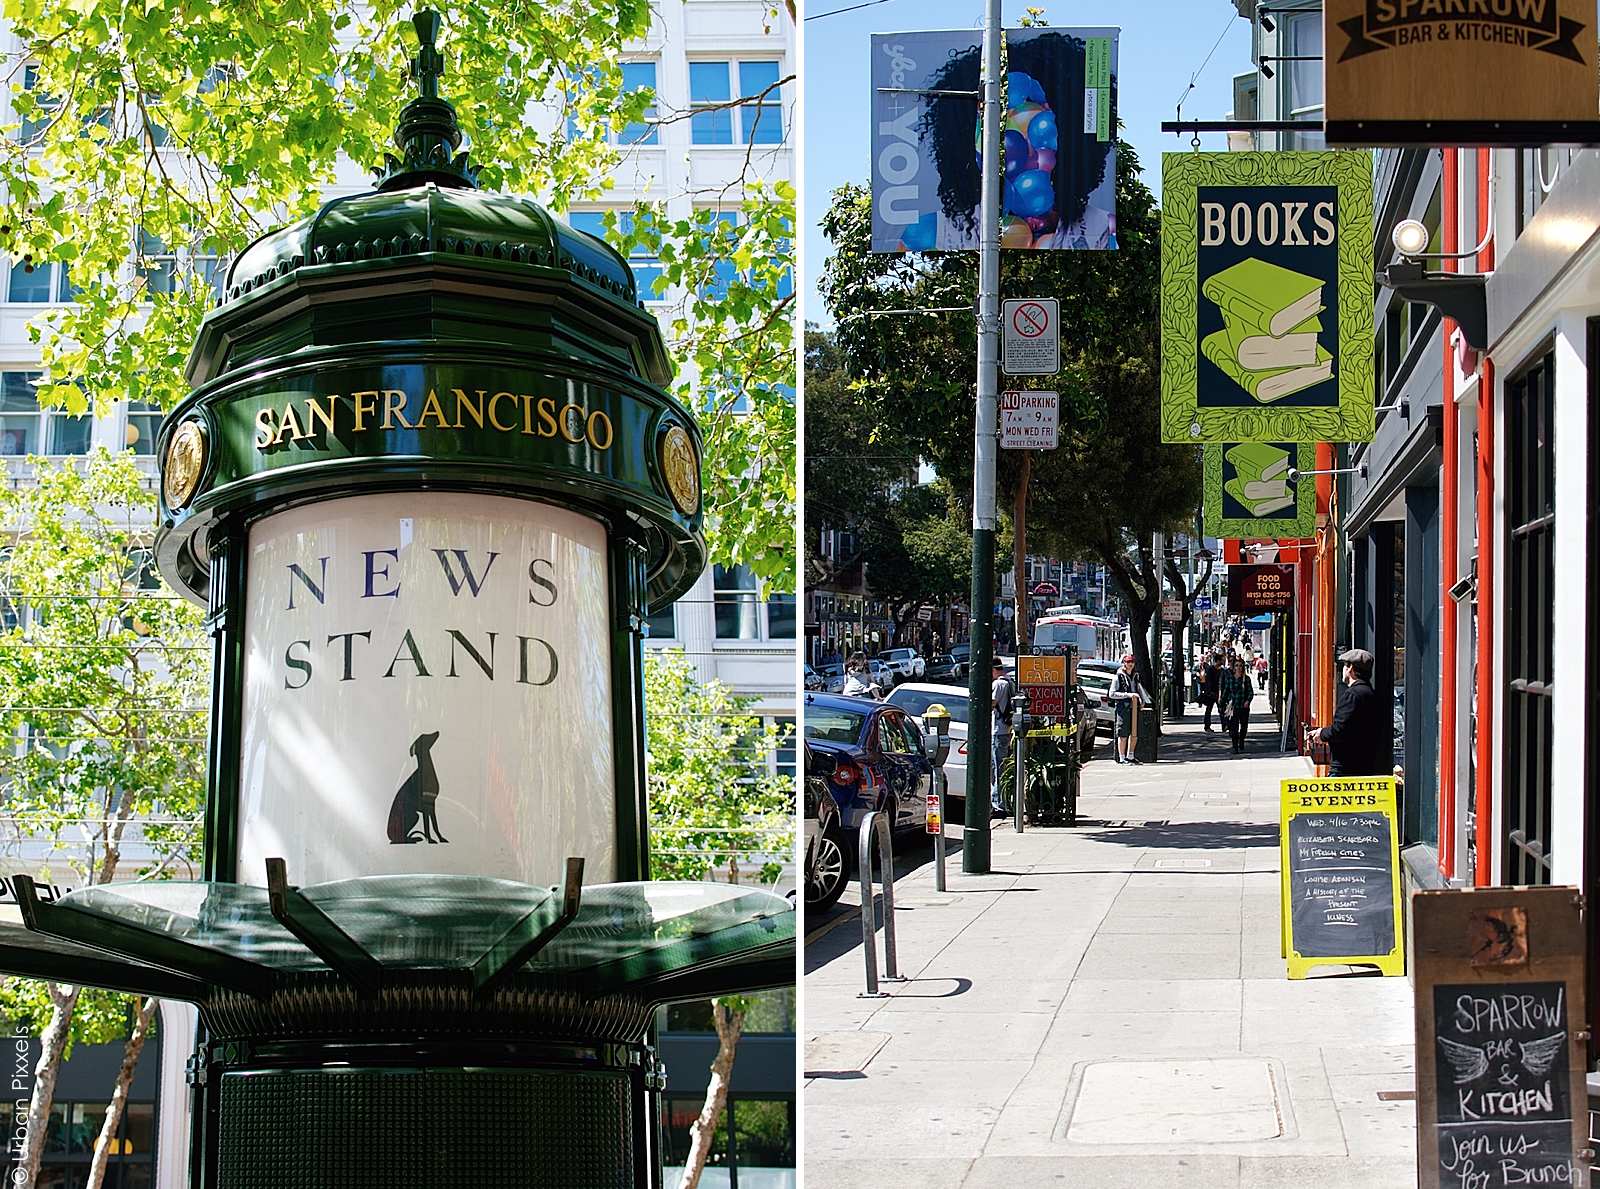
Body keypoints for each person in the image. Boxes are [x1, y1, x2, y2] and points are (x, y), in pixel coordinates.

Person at [1312, 648, 1389, 776]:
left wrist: (1322, 734)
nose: (1343, 669)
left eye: (1344, 665)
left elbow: (1340, 729)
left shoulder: (1352, 695)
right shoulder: (1371, 694)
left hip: (1345, 767)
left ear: (1350, 668)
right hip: (1367, 766)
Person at [1108, 653, 1145, 765]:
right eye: (1128, 662)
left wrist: (1142, 700)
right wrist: (1128, 695)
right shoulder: (1118, 677)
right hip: (1122, 708)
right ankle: (1122, 758)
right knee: (1122, 734)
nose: (1130, 664)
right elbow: (1112, 694)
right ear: (1124, 663)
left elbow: (1139, 689)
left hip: (1134, 708)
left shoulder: (1135, 676)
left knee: (1134, 733)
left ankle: (1130, 756)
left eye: (1132, 662)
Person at [990, 658, 1013, 815]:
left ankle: (999, 804)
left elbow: (991, 702)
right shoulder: (1009, 682)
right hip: (1007, 729)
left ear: (994, 670)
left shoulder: (998, 684)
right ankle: (1003, 801)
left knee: (998, 768)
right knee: (1002, 767)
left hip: (999, 730)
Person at [1219, 655, 1253, 754]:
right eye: (1236, 665)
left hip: (1243, 706)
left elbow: (1250, 692)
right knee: (1234, 727)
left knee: (1244, 726)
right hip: (1233, 707)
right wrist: (1221, 703)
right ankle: (1235, 746)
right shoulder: (1230, 679)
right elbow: (1226, 691)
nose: (1238, 668)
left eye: (1240, 666)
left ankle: (1241, 740)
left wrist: (1248, 701)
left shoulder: (1246, 679)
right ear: (1233, 668)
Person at [1195, 652, 1219, 733]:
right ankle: (1207, 726)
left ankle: (1225, 725)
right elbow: (1209, 681)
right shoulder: (1210, 668)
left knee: (1219, 709)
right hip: (1210, 691)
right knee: (1210, 709)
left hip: (1214, 691)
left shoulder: (1208, 667)